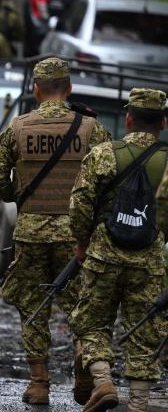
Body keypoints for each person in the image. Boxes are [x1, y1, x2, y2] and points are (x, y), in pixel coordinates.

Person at [0, 57, 111, 406]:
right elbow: (108, 179)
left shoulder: (19, 127)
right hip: (76, 237)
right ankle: (85, 365)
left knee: (33, 305)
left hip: (31, 233)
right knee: (81, 306)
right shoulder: (92, 129)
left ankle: (39, 382)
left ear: (36, 89)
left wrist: (19, 198)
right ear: (69, 88)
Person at [71, 88, 168, 412]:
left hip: (103, 254)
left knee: (92, 321)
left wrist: (82, 242)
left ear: (128, 119)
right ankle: (138, 405)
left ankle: (103, 382)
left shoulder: (103, 154)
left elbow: (80, 202)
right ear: (163, 123)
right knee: (146, 331)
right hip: (149, 260)